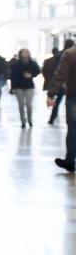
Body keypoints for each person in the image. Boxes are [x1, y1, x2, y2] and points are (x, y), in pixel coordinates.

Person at [48, 42, 76, 172]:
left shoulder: (71, 53)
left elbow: (61, 75)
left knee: (73, 130)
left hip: (74, 96)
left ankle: (70, 161)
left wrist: (51, 94)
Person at [45, 40, 73, 125]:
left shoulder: (60, 55)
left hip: (62, 84)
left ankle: (52, 119)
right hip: (70, 85)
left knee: (57, 103)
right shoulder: (69, 54)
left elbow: (59, 72)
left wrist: (51, 94)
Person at [10, 49, 40, 128]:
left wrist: (31, 75)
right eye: (24, 52)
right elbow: (12, 77)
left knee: (29, 104)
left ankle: (30, 120)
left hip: (29, 86)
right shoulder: (15, 64)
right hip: (18, 86)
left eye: (27, 52)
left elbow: (38, 71)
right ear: (20, 54)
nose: (26, 53)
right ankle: (23, 121)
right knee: (21, 105)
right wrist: (12, 87)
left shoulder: (32, 63)